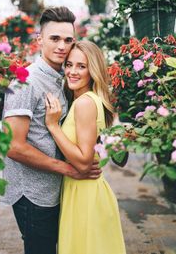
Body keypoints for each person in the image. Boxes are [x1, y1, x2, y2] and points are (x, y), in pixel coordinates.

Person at [2, 7, 101, 254]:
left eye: (68, 40)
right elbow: (13, 146)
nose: (62, 46)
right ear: (39, 40)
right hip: (33, 193)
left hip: (54, 188)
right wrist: (70, 169)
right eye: (54, 38)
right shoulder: (25, 81)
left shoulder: (62, 77)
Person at [45, 40, 126, 254]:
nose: (72, 71)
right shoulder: (88, 100)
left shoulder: (84, 104)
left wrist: (53, 126)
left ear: (93, 70)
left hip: (85, 193)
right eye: (69, 64)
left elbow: (83, 161)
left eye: (81, 66)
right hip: (81, 190)